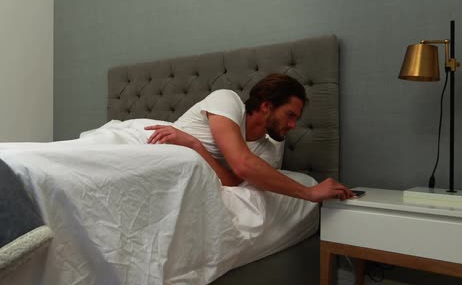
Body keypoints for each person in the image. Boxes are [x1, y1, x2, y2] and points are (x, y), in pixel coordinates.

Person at [144, 73, 353, 202]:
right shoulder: (227, 100)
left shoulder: (266, 152)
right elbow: (241, 163)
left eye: (296, 119)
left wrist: (195, 145)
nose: (293, 125)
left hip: (184, 162)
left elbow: (232, 180)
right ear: (267, 106)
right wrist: (308, 192)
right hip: (157, 148)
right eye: (290, 115)